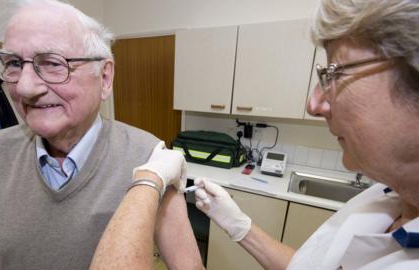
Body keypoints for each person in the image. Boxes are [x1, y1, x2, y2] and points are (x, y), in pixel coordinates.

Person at [93, 0, 419, 269]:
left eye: (335, 73)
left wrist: (149, 181)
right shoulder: (381, 199)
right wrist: (239, 225)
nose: (314, 103)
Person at [0, 0, 202, 269]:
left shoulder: (150, 159)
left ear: (104, 78)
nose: (24, 87)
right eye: (13, 63)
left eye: (52, 63)